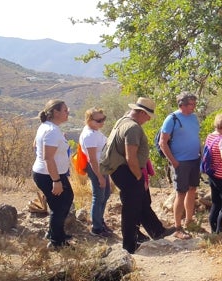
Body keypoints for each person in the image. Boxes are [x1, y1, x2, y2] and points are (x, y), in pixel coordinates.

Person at [102, 97, 174, 253]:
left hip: (120, 171)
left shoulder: (122, 121)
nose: (148, 119)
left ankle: (157, 231)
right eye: (148, 115)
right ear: (141, 112)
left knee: (140, 203)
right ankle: (129, 245)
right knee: (131, 209)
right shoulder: (133, 128)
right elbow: (131, 157)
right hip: (127, 172)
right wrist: (138, 175)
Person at [32, 99, 74, 249]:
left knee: (66, 199)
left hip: (52, 173)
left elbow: (35, 146)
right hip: (49, 175)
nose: (67, 113)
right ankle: (57, 242)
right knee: (59, 206)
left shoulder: (48, 127)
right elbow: (48, 157)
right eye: (65, 110)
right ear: (55, 112)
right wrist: (56, 180)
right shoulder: (51, 131)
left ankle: (55, 232)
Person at [158, 92, 201, 239]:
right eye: (191, 104)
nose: (194, 107)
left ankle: (189, 220)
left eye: (195, 104)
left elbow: (195, 136)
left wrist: (200, 153)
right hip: (180, 163)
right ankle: (177, 227)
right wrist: (174, 162)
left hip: (194, 160)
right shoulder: (172, 119)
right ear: (181, 104)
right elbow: (162, 142)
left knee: (192, 190)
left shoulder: (194, 118)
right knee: (180, 193)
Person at [79, 107, 112, 237]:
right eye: (99, 120)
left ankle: (99, 220)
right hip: (96, 168)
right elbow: (92, 159)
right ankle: (96, 228)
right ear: (89, 120)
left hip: (102, 167)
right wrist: (99, 177)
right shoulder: (89, 135)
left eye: (103, 119)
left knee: (105, 194)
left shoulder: (95, 131)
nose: (102, 122)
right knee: (98, 196)